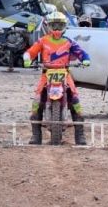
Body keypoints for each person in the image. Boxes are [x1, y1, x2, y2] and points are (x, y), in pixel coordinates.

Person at [22, 11, 91, 145]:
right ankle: (36, 135)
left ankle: (80, 135)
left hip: (64, 72)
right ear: (49, 26)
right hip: (46, 73)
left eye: (60, 26)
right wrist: (27, 58)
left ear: (65, 26)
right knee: (37, 101)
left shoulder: (69, 42)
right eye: (54, 25)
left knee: (75, 99)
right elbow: (31, 51)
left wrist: (85, 59)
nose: (57, 29)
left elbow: (81, 52)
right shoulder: (43, 40)